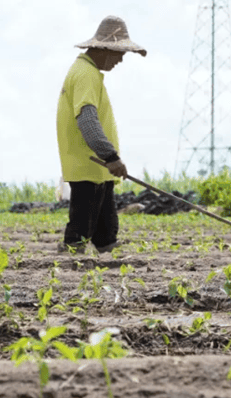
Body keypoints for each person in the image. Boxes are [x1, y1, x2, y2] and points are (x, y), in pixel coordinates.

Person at [56, 16, 146, 254]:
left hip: (97, 168)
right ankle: (69, 266)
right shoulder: (86, 73)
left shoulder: (87, 71)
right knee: (80, 228)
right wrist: (110, 156)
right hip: (90, 163)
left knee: (106, 227)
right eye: (120, 53)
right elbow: (87, 120)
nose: (121, 60)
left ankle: (108, 251)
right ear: (105, 49)